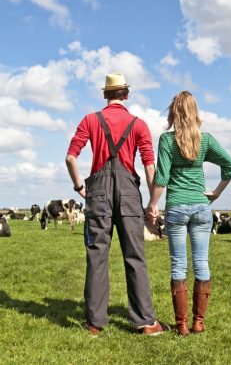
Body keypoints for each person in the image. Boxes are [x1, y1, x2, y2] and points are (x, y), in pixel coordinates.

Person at [65, 73, 169, 336]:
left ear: (105, 95)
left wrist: (80, 186)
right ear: (126, 94)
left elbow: (70, 158)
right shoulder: (138, 124)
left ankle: (95, 324)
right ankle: (146, 322)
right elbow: (148, 166)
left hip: (97, 193)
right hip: (129, 194)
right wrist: (152, 202)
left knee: (97, 256)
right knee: (135, 256)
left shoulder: (90, 120)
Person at [146, 91, 231, 336]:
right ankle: (199, 322)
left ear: (174, 112)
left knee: (178, 265)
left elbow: (162, 177)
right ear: (195, 112)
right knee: (201, 263)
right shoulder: (205, 140)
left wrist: (152, 204)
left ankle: (183, 325)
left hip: (176, 207)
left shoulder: (167, 141)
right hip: (201, 207)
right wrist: (216, 193)